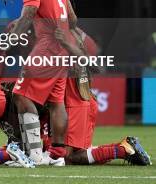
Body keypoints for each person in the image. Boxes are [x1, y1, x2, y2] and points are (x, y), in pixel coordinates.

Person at [0, 0, 76, 165]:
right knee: (56, 102)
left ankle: (35, 156)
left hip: (47, 47)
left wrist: (9, 42)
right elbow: (73, 19)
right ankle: (57, 156)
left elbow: (29, 13)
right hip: (63, 47)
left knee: (20, 95)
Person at [55, 28, 151, 166]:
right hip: (84, 100)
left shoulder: (63, 36)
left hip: (76, 104)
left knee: (68, 158)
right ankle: (124, 146)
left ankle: (121, 150)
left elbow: (95, 66)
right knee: (82, 154)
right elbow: (95, 66)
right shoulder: (77, 34)